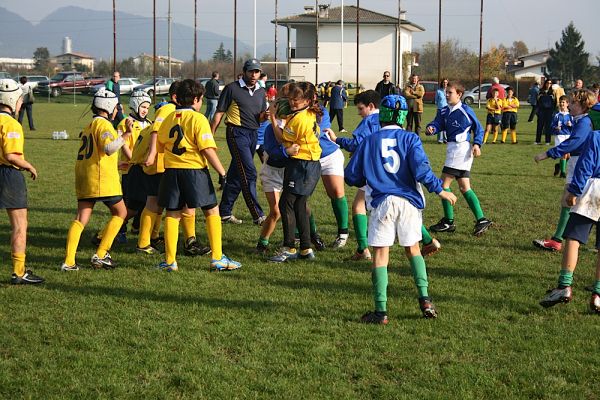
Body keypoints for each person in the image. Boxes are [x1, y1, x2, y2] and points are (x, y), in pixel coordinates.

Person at [345, 94, 458, 324]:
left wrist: (370, 175)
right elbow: (422, 171)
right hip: (408, 203)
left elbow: (351, 176)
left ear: (382, 116)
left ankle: (381, 311)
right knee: (413, 249)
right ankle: (425, 299)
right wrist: (441, 190)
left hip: (383, 202)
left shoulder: (370, 140)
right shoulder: (411, 138)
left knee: (380, 255)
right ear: (404, 116)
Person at [156, 79, 241, 272]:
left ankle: (170, 261)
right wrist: (222, 171)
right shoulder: (198, 119)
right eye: (201, 99)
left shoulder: (169, 117)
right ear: (196, 99)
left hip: (171, 172)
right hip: (194, 171)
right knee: (212, 211)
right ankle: (217, 258)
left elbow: (161, 144)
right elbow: (207, 149)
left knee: (172, 214)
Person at [61, 88, 130, 271]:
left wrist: (115, 166)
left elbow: (96, 155)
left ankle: (69, 262)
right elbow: (108, 148)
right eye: (116, 107)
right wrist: (126, 135)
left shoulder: (88, 126)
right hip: (102, 180)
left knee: (81, 218)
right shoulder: (104, 125)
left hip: (85, 176)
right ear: (109, 107)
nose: (117, 111)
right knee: (121, 213)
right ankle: (101, 254)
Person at [539, 119, 600, 314]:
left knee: (573, 238)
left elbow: (586, 164)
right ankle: (598, 295)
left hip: (594, 189)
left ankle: (564, 286)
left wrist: (573, 190)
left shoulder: (595, 136)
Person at [426, 82, 493, 236]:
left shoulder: (465, 110)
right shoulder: (444, 110)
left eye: (450, 92)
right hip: (452, 150)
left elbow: (479, 128)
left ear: (459, 94)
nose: (447, 95)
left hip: (460, 150)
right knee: (464, 187)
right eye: (446, 92)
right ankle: (481, 219)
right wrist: (432, 128)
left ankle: (448, 221)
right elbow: (438, 123)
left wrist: (477, 144)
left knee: (443, 185)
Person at [533, 90, 596, 252]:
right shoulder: (581, 121)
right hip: (577, 163)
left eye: (574, 103)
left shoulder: (584, 122)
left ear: (582, 106)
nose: (570, 105)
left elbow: (575, 142)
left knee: (569, 201)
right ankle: (559, 239)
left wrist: (548, 153)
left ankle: (557, 240)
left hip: (580, 166)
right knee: (577, 204)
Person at [268, 82, 323, 262]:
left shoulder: (299, 119)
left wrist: (273, 118)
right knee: (299, 205)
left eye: (296, 100)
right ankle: (306, 249)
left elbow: (280, 138)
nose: (292, 103)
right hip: (312, 164)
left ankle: (289, 247)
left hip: (301, 164)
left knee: (286, 204)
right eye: (290, 99)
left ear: (307, 100)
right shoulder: (310, 112)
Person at [211, 58, 267, 225]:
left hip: (253, 134)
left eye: (256, 71)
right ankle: (258, 215)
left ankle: (224, 212)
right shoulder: (232, 88)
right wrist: (209, 139)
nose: (254, 74)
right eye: (251, 71)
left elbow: (261, 116)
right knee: (249, 172)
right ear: (244, 71)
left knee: (237, 174)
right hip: (236, 133)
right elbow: (219, 113)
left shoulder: (260, 91)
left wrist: (266, 116)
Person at [0, 79, 43, 284]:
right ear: (12, 100)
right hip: (8, 175)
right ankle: (19, 272)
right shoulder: (11, 124)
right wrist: (28, 165)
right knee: (19, 225)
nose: (20, 104)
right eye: (19, 100)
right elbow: (11, 155)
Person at [550, 96, 573, 178]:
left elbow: (575, 126)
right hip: (560, 136)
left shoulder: (571, 115)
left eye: (563, 102)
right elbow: (551, 126)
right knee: (564, 153)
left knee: (569, 156)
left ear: (567, 104)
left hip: (568, 135)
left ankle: (558, 166)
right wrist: (556, 128)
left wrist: (571, 125)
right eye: (560, 102)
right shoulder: (557, 115)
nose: (562, 104)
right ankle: (563, 173)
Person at [535, 78, 555, 145]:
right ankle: (537, 141)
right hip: (541, 111)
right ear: (545, 83)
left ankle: (547, 141)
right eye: (547, 83)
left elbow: (554, 102)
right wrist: (537, 110)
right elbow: (537, 101)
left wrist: (553, 110)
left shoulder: (552, 92)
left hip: (549, 111)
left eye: (550, 83)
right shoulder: (541, 91)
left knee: (548, 126)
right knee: (539, 126)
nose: (548, 84)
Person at [434, 78, 448, 144]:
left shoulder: (449, 91)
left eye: (446, 82)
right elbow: (436, 100)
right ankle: (440, 139)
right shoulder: (438, 91)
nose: (445, 84)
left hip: (447, 109)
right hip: (440, 109)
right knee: (440, 123)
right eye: (444, 82)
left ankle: (446, 139)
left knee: (446, 124)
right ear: (442, 83)